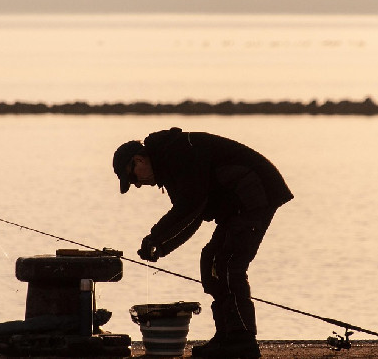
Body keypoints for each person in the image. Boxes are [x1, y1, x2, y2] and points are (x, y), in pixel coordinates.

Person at [113, 127, 293, 358]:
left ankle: (242, 340)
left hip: (255, 193)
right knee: (211, 260)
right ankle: (226, 336)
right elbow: (193, 216)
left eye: (132, 177)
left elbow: (190, 207)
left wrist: (155, 237)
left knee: (228, 263)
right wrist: (162, 246)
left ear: (138, 160)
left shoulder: (177, 154)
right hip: (237, 205)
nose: (137, 184)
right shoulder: (169, 164)